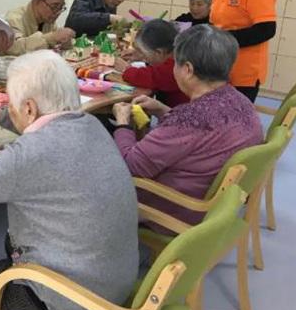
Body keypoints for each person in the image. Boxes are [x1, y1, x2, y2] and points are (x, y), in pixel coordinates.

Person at [0, 50, 139, 310]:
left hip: (74, 302)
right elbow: (42, 131)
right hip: (115, 279)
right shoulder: (90, 124)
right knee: (10, 240)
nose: (11, 111)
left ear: (29, 108)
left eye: (12, 106)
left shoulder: (28, 155)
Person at [112, 25, 263, 229]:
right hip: (218, 208)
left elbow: (131, 166)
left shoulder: (188, 119)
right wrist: (162, 110)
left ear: (188, 70)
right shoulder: (241, 101)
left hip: (175, 210)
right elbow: (201, 134)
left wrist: (123, 123)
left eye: (175, 63)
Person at [114, 19, 189, 108]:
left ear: (159, 52)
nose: (142, 55)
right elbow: (156, 67)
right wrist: (141, 55)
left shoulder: (173, 68)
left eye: (142, 51)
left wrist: (126, 69)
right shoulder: (179, 54)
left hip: (178, 114)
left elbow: (144, 77)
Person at [4, 0, 75, 55]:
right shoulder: (14, 18)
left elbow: (56, 46)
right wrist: (51, 37)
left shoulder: (49, 21)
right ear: (37, 2)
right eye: (54, 7)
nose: (58, 13)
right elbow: (15, 48)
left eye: (61, 8)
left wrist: (65, 42)